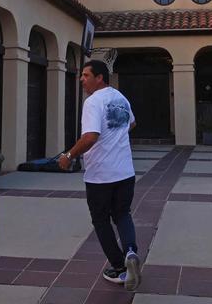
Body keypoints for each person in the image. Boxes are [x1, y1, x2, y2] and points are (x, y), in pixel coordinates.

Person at [57, 59, 142, 291]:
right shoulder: (120, 98)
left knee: (101, 220)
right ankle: (131, 252)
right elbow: (131, 124)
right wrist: (115, 134)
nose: (82, 79)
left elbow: (90, 137)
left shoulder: (93, 102)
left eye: (86, 75)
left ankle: (120, 267)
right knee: (122, 214)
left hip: (100, 176)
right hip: (125, 172)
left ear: (99, 77)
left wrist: (69, 155)